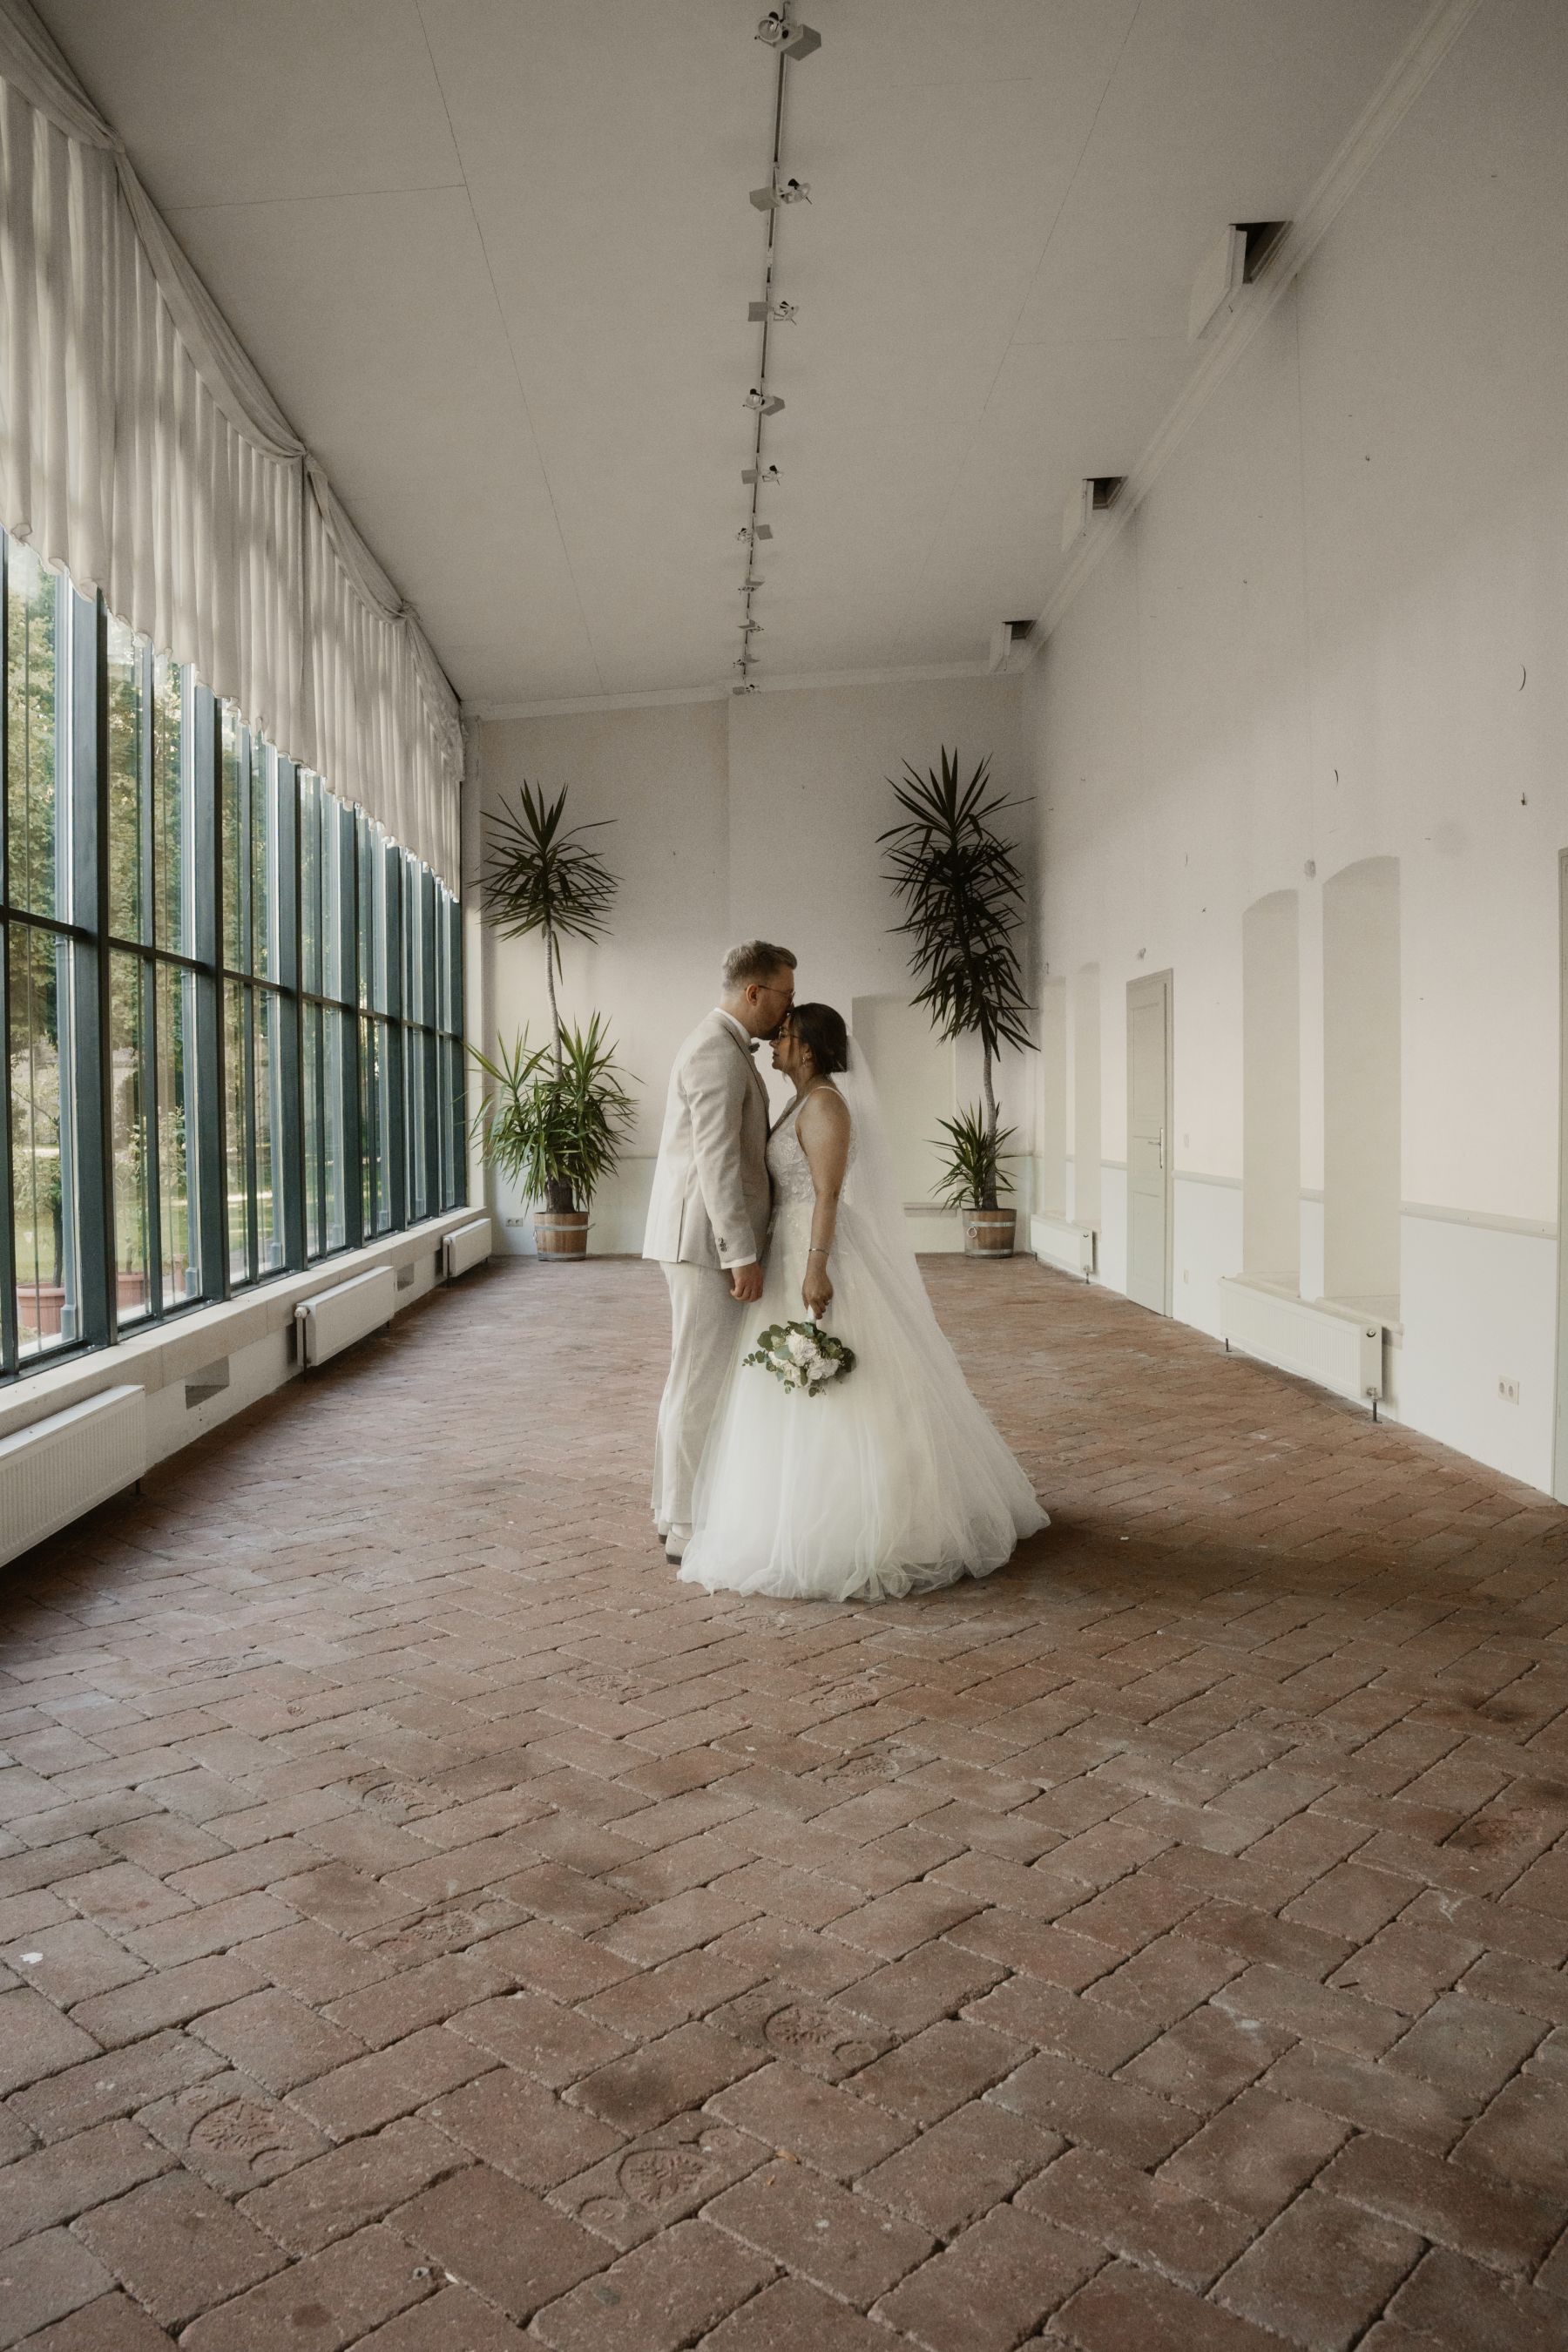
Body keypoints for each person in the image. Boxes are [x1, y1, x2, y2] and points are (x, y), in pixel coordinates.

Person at [678, 1003, 1047, 1603]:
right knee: (786, 1384)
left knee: (846, 1376)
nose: (775, 1043)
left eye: (785, 1036)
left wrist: (816, 1269)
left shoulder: (826, 1104)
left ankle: (875, 1521)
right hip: (788, 1249)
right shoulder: (800, 1100)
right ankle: (793, 1510)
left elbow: (827, 1194)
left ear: (808, 1048)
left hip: (816, 1253)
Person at [644, 942, 797, 1564]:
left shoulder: (726, 1046)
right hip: (706, 1243)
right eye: (785, 995)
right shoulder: (716, 1049)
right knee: (698, 1381)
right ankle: (683, 1523)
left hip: (702, 1239)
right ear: (754, 992)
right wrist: (740, 1253)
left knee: (693, 1376)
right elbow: (717, 1163)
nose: (789, 1009)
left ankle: (671, 1509)